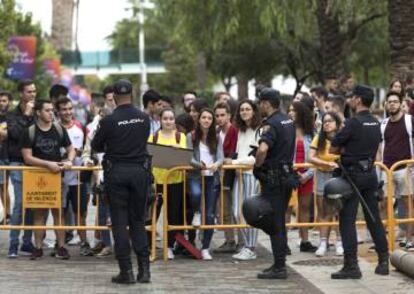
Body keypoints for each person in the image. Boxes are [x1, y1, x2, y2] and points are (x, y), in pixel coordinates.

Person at [92, 79, 151, 284]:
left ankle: (126, 271)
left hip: (116, 172)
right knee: (138, 221)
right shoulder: (144, 118)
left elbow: (96, 145)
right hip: (139, 172)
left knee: (119, 221)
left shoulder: (108, 120)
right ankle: (145, 271)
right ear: (132, 95)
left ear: (114, 97)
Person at [330, 85, 389, 279]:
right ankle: (383, 261)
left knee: (347, 220)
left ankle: (351, 266)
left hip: (352, 176)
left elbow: (333, 148)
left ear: (358, 100)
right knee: (373, 218)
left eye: (352, 97)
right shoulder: (376, 122)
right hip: (370, 174)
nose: (350, 100)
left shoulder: (353, 123)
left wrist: (345, 150)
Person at [21, 99, 74, 260]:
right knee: (39, 214)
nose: (51, 113)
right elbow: (27, 157)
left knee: (59, 213)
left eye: (52, 110)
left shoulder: (59, 129)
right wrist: (47, 164)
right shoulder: (29, 131)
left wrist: (70, 160)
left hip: (57, 176)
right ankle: (37, 247)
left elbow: (71, 149)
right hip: (37, 177)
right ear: (38, 112)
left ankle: (62, 247)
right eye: (47, 110)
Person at [252, 87, 296, 279]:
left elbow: (262, 150)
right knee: (280, 221)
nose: (259, 106)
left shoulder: (271, 124)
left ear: (266, 104)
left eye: (260, 103)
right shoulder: (288, 120)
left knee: (275, 223)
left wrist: (257, 164)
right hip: (286, 176)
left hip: (274, 179)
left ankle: (279, 267)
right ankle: (280, 262)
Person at [55, 97, 93, 256]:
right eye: (64, 109)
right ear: (58, 111)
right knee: (60, 214)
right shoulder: (53, 129)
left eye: (70, 108)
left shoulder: (80, 128)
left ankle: (84, 243)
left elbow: (87, 150)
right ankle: (61, 245)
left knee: (81, 214)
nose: (68, 112)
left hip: (78, 179)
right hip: (59, 179)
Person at [148, 108, 187, 260]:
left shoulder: (180, 137)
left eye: (171, 118)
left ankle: (169, 246)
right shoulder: (154, 137)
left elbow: (184, 157)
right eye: (165, 118)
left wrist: (177, 151)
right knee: (153, 214)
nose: (168, 121)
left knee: (173, 216)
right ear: (160, 120)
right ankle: (150, 246)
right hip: (157, 182)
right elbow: (150, 157)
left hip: (175, 181)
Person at [226, 100, 261, 261]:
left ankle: (251, 247)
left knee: (250, 212)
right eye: (242, 109)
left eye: (248, 109)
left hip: (251, 175)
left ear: (254, 111)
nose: (244, 112)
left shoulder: (259, 131)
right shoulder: (241, 130)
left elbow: (255, 158)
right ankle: (247, 245)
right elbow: (239, 153)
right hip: (239, 174)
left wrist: (233, 162)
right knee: (236, 211)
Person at [379, 91, 414, 250]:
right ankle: (384, 240)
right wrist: (379, 164)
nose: (392, 104)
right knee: (384, 204)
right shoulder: (384, 123)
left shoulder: (409, 121)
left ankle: (410, 239)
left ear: (401, 104)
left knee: (408, 205)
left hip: (405, 169)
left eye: (395, 101)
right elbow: (380, 146)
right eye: (389, 101)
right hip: (387, 169)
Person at [188, 108, 224, 260]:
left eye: (210, 118)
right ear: (199, 119)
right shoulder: (191, 135)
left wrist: (217, 164)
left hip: (212, 177)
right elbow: (189, 157)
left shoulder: (216, 136)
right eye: (204, 117)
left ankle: (205, 247)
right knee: (195, 194)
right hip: (196, 175)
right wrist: (199, 165)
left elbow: (221, 157)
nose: (207, 120)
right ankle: (196, 212)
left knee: (210, 214)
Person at [6, 79, 37, 258]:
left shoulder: (39, 112)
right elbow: (16, 135)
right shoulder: (12, 115)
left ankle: (27, 242)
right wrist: (26, 115)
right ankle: (13, 243)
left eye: (34, 91)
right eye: (29, 92)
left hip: (36, 162)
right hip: (18, 162)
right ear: (21, 94)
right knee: (19, 203)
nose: (32, 95)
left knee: (33, 203)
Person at [308, 112, 343, 257]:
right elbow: (310, 157)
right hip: (322, 174)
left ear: (337, 123)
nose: (327, 124)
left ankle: (339, 242)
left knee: (339, 210)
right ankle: (323, 242)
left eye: (330, 121)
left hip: (338, 174)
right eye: (325, 121)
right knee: (323, 210)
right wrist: (326, 163)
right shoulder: (318, 138)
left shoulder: (342, 137)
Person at [287, 101, 317, 253]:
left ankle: (305, 240)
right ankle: (283, 242)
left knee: (304, 207)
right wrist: (292, 172)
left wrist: (307, 174)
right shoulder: (286, 130)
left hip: (307, 174)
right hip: (290, 174)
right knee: (286, 208)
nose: (291, 113)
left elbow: (316, 155)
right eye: (290, 110)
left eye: (294, 110)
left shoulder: (312, 132)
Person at [213, 102, 239, 254]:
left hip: (234, 173)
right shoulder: (216, 132)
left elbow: (234, 151)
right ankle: (230, 240)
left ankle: (242, 242)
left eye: (223, 115)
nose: (219, 118)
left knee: (236, 209)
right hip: (220, 174)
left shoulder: (234, 130)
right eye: (217, 115)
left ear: (229, 115)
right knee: (224, 209)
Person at [0, 91, 11, 222]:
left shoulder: (10, 117)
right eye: (0, 100)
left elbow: (5, 135)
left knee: (3, 186)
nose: (1, 103)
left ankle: (7, 214)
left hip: (4, 156)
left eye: (4, 100)